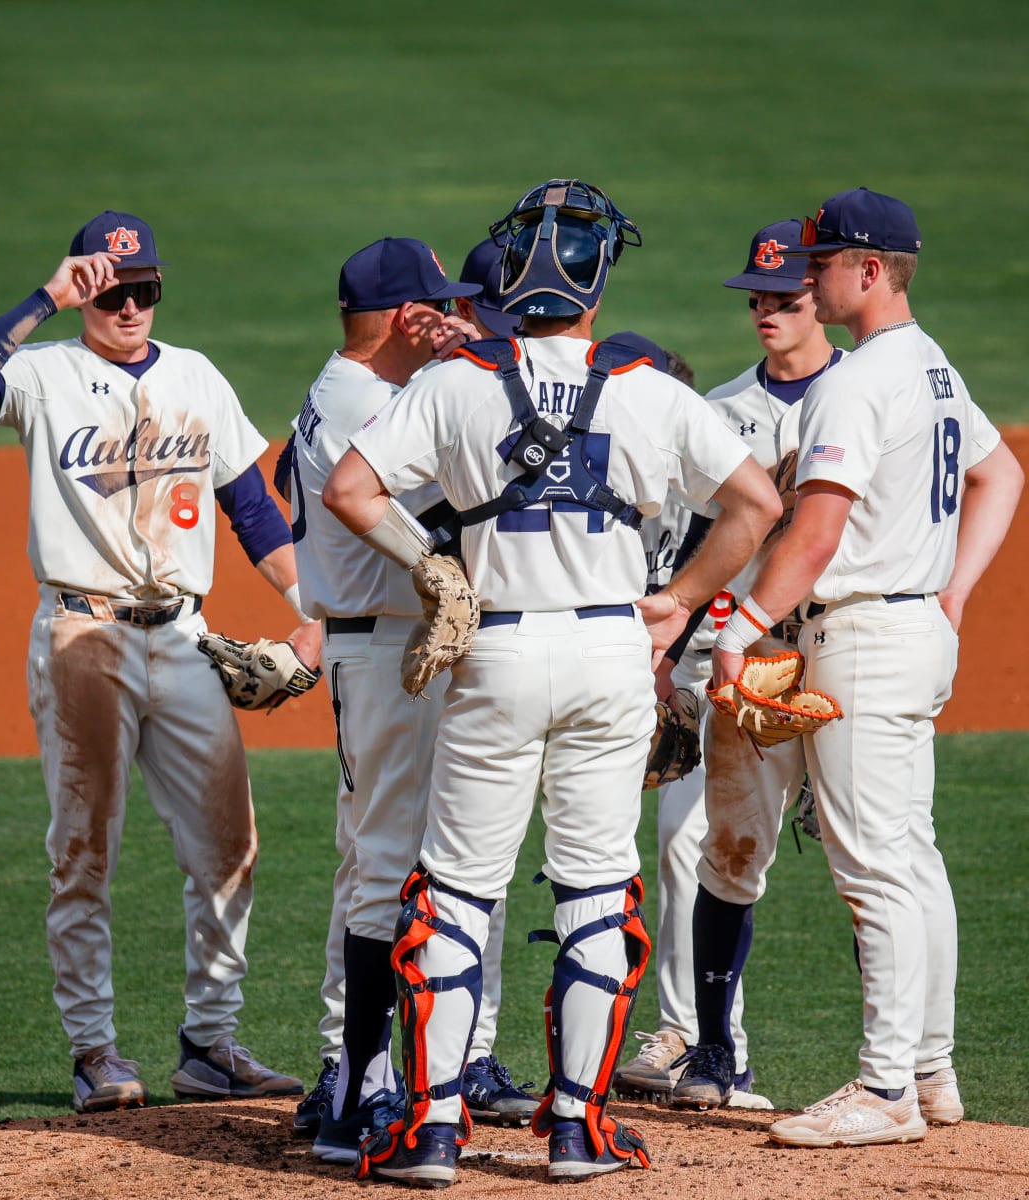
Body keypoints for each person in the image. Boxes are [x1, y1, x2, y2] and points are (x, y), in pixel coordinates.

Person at [322, 178, 782, 1186]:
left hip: (497, 649)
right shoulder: (652, 387)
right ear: (597, 288)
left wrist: (431, 563)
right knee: (596, 885)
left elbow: (346, 489)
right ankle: (578, 1128)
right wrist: (681, 600)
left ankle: (431, 1132)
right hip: (615, 653)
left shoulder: (455, 381)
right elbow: (756, 502)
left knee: (454, 891)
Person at [0, 210, 320, 1114]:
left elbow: (251, 510)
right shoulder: (42, 374)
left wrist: (316, 618)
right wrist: (47, 298)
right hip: (83, 638)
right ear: (86, 292)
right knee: (84, 851)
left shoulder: (195, 376)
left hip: (184, 637)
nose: (131, 304)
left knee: (231, 847)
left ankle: (211, 1044)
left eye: (144, 287)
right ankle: (94, 1051)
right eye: (111, 290)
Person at [706, 188, 1023, 1147]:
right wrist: (954, 591)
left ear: (869, 270)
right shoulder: (930, 368)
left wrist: (742, 624)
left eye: (823, 262)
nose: (805, 278)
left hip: (861, 638)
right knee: (912, 857)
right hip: (913, 633)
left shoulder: (856, 381)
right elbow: (1002, 474)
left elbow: (819, 528)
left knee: (873, 866)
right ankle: (929, 1070)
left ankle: (884, 1087)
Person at [286, 238, 540, 1152]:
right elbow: (473, 505)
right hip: (397, 654)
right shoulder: (376, 403)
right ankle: (360, 1094)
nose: (446, 316)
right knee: (394, 868)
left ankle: (374, 1078)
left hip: (380, 649)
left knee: (380, 861)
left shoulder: (341, 390)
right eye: (434, 305)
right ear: (403, 317)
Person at [622, 220, 847, 1112]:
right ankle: (699, 1044)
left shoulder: (864, 393)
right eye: (755, 298)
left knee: (864, 857)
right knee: (697, 844)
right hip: (732, 657)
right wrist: (670, 660)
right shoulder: (716, 412)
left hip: (835, 646)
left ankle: (913, 1063)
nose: (767, 311)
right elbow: (687, 545)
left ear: (819, 300)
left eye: (785, 298)